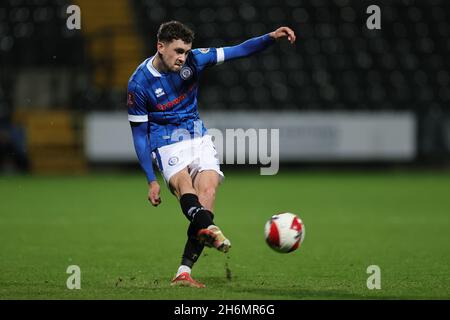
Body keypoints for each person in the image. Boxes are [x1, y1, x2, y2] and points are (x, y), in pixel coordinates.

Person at [127, 21, 296, 288]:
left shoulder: (196, 59)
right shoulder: (139, 83)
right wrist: (151, 179)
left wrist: (271, 37)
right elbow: (138, 134)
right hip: (166, 142)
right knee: (185, 187)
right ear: (161, 47)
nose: (183, 58)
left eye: (186, 52)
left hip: (198, 135)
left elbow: (238, 50)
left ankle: (184, 271)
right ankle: (209, 230)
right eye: (178, 51)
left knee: (207, 195)